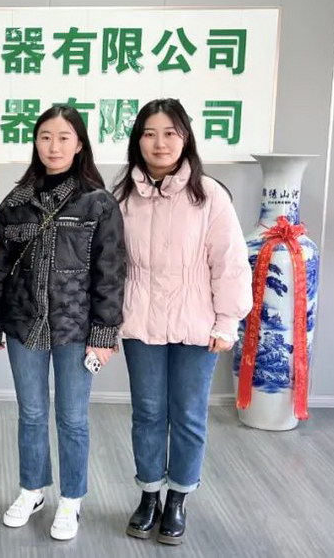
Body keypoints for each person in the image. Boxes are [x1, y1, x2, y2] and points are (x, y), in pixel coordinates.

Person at [0, 105, 126, 541]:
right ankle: (32, 490)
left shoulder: (98, 203)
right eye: (45, 137)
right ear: (35, 143)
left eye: (64, 138)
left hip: (76, 329)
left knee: (73, 418)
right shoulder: (16, 203)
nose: (54, 146)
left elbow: (111, 273)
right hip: (23, 323)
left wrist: (103, 335)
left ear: (79, 145)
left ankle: (71, 499)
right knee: (31, 413)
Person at [113, 98, 251, 545]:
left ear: (185, 138)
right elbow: (109, 265)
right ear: (138, 140)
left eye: (170, 133)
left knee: (189, 414)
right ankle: (149, 494)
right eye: (150, 134)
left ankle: (178, 498)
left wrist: (227, 321)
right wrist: (106, 321)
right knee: (148, 413)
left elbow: (229, 262)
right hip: (140, 323)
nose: (160, 143)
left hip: (197, 326)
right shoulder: (122, 197)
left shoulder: (209, 195)